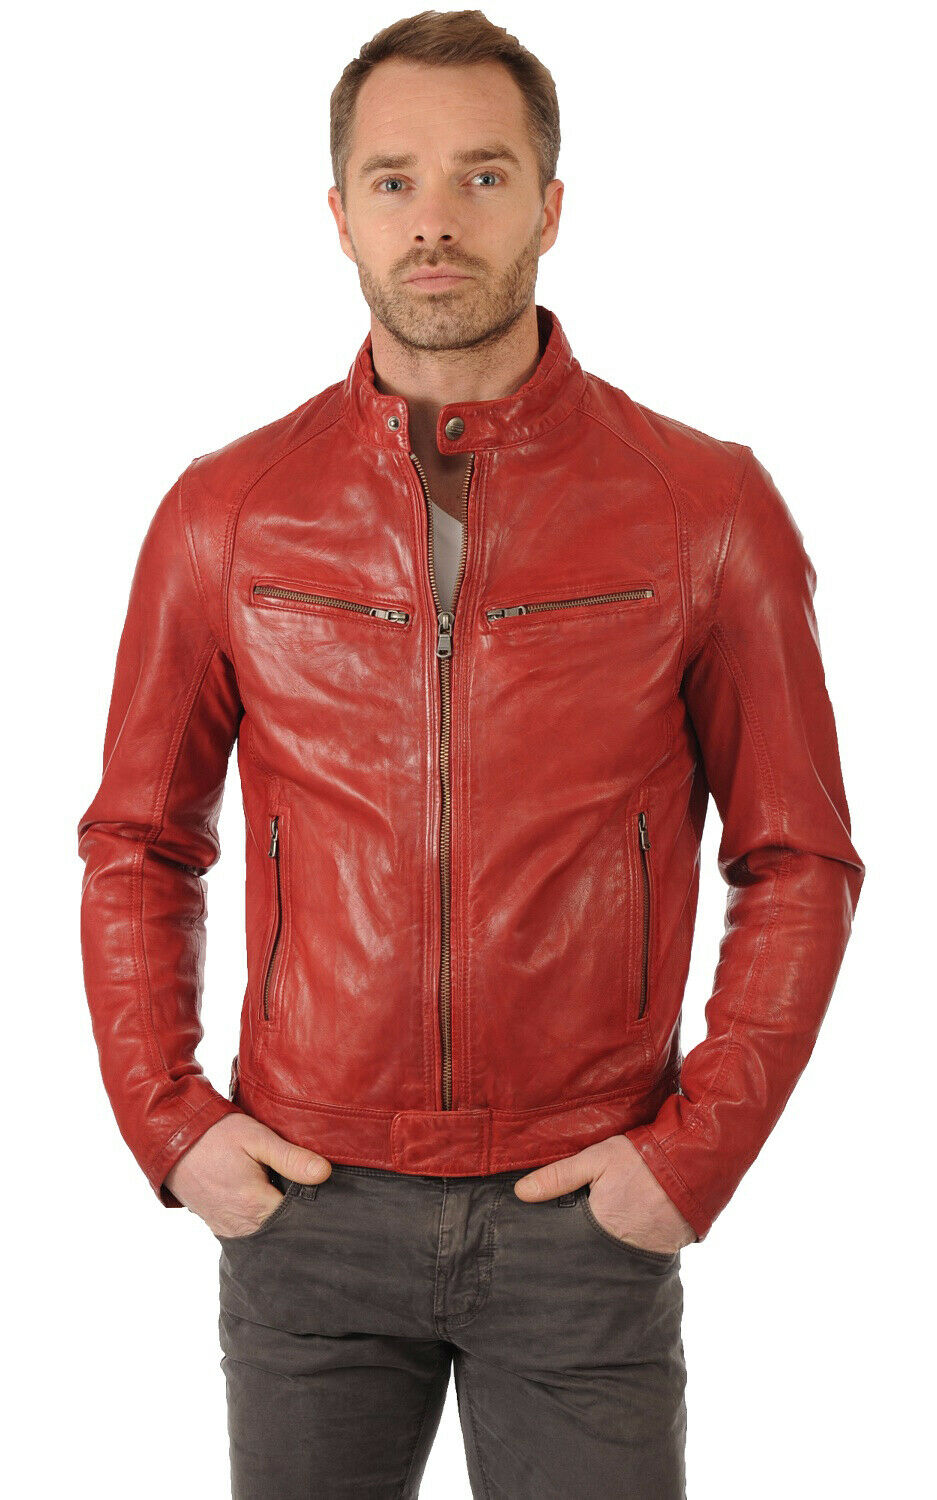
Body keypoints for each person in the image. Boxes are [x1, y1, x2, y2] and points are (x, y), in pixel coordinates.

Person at [76, 10, 865, 1498]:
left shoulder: (703, 509)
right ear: (339, 214)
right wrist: (168, 1122)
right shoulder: (224, 513)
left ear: (550, 205)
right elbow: (139, 840)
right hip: (305, 1205)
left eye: (482, 176)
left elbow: (799, 856)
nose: (434, 219)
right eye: (394, 181)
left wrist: (694, 1154)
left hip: (583, 1209)